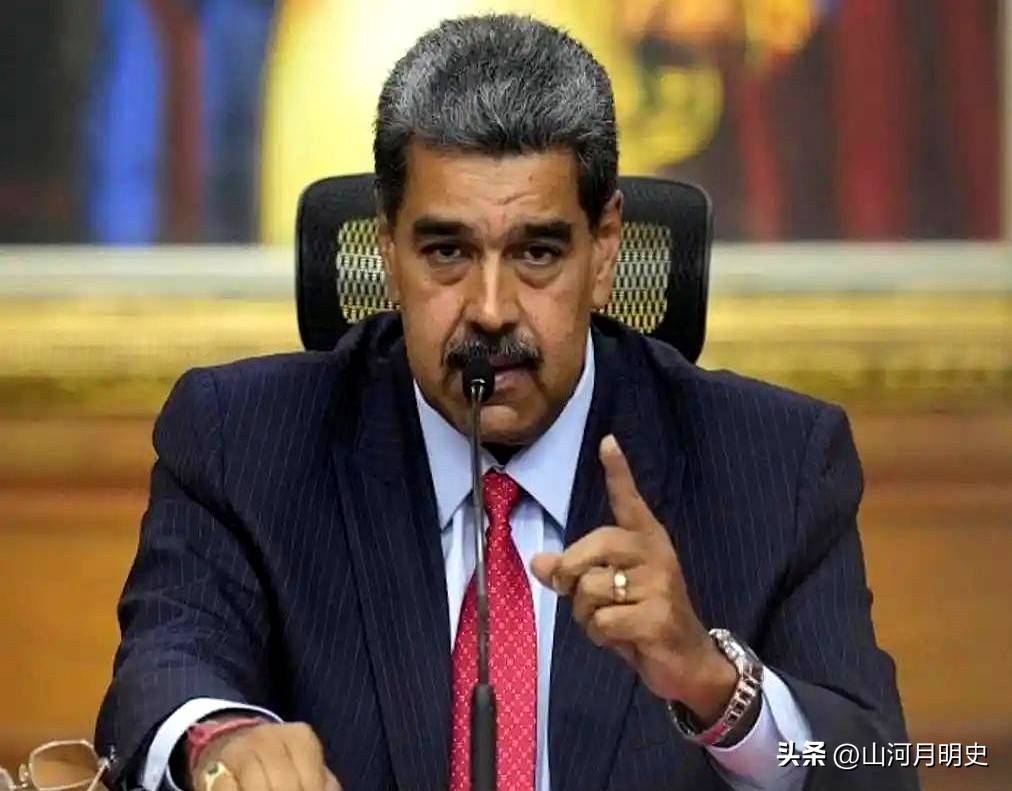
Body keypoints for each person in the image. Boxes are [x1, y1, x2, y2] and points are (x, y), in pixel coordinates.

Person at [96, 14, 918, 791]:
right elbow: (163, 671)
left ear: (605, 250)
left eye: (537, 253)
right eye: (447, 251)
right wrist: (221, 739)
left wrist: (713, 684)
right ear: (387, 249)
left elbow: (877, 764)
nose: (490, 309)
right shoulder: (244, 442)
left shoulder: (777, 464)